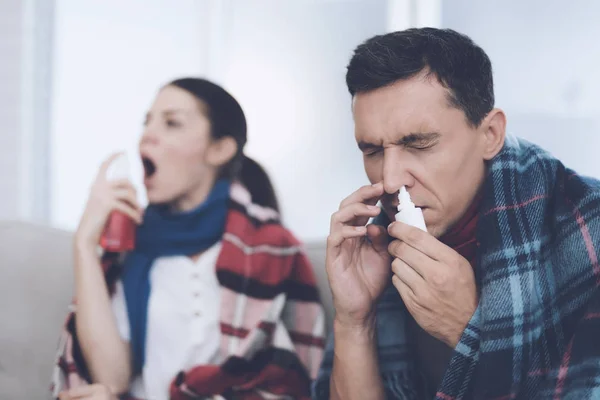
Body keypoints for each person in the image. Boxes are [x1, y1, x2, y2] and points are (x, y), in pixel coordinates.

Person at [313, 28, 600, 399]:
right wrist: (354, 321)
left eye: (418, 143)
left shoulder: (589, 228)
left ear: (490, 134)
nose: (390, 179)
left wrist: (469, 328)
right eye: (372, 151)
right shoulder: (377, 248)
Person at [51, 78, 325, 400]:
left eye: (171, 123)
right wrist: (84, 243)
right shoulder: (130, 250)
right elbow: (113, 380)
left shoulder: (272, 247)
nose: (146, 135)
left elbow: (294, 379)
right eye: (146, 122)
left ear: (220, 148)